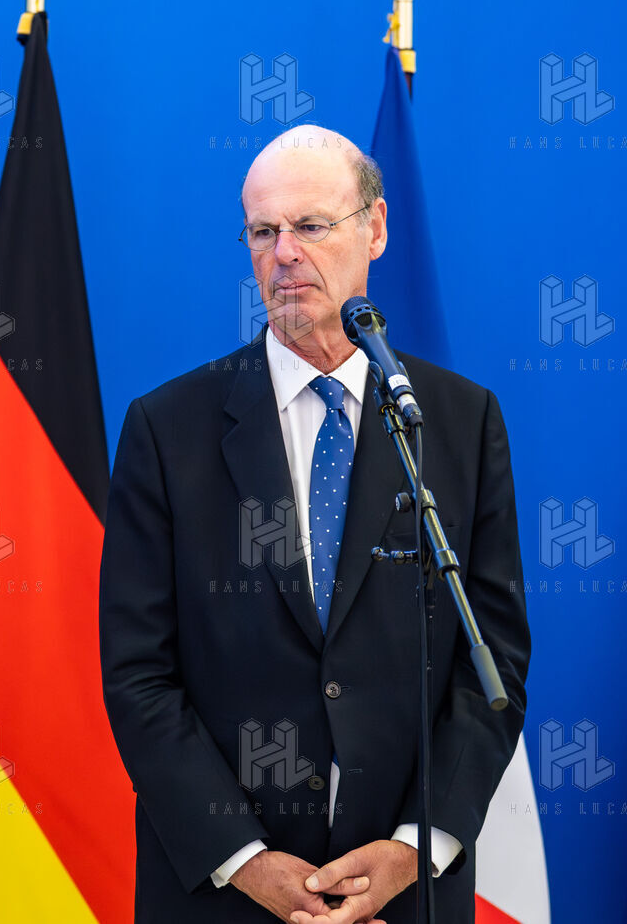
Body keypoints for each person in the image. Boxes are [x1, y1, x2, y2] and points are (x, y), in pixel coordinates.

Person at [99, 125, 529, 923]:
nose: (284, 254)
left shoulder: (458, 423)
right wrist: (248, 861)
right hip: (225, 896)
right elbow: (138, 675)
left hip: (405, 894)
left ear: (375, 228)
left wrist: (413, 848)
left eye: (310, 225)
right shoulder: (167, 430)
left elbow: (492, 657)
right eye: (263, 231)